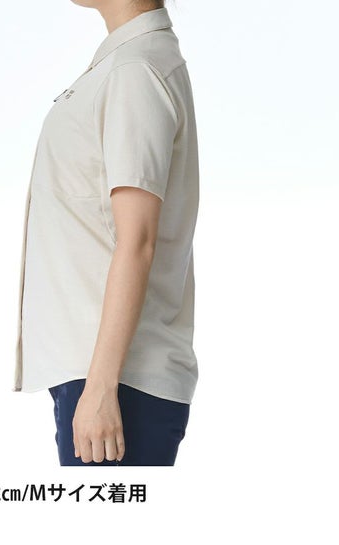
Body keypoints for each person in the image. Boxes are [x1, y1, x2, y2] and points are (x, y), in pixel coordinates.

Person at [13, 0, 200, 466]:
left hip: (116, 382)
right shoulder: (124, 63)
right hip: (104, 374)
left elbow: (137, 240)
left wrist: (99, 388)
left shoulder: (135, 70)